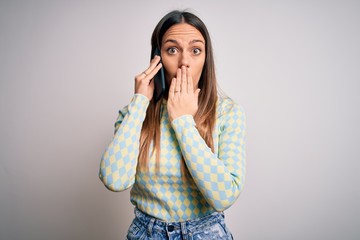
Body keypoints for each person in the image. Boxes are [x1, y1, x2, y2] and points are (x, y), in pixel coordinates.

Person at [99, 9, 246, 240]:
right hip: (147, 233)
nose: (184, 62)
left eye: (195, 50)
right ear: (157, 58)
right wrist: (140, 103)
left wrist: (183, 121)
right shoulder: (136, 113)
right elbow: (113, 180)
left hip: (206, 233)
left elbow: (224, 196)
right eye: (172, 50)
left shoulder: (228, 113)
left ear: (206, 58)